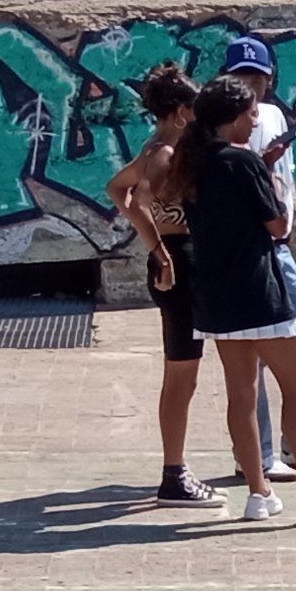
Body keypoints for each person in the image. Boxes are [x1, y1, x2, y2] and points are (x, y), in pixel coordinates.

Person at [177, 76, 296, 524]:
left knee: (241, 394)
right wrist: (268, 175)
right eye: (249, 111)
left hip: (215, 296)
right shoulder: (243, 163)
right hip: (259, 291)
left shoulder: (195, 162)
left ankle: (258, 494)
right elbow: (277, 226)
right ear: (231, 117)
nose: (256, 117)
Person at [220, 40, 296, 485]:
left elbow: (282, 177)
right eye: (242, 78)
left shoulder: (271, 116)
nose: (250, 88)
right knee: (250, 360)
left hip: (280, 246)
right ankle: (258, 452)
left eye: (257, 78)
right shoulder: (222, 124)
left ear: (270, 80)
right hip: (247, 248)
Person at [103, 65, 216, 507]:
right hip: (181, 264)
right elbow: (141, 197)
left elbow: (117, 189)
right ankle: (174, 473)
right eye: (195, 107)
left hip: (177, 262)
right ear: (181, 112)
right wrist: (161, 251)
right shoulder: (166, 152)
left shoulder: (158, 146)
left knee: (181, 375)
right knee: (181, 376)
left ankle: (177, 468)